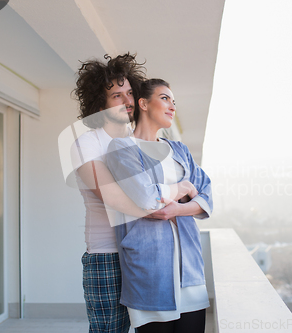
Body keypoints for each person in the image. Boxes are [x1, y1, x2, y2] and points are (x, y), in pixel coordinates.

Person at [105, 79, 213, 333]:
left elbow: (206, 194)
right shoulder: (122, 149)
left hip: (190, 268)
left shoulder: (179, 149)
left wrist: (174, 209)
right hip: (150, 269)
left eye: (174, 102)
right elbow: (146, 199)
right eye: (165, 98)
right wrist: (184, 189)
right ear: (143, 103)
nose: (172, 106)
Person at [70, 53, 150, 333]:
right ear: (99, 104)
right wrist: (164, 209)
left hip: (145, 251)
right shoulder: (86, 144)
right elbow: (113, 197)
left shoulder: (141, 140)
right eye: (117, 95)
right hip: (107, 256)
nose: (127, 101)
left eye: (130, 93)